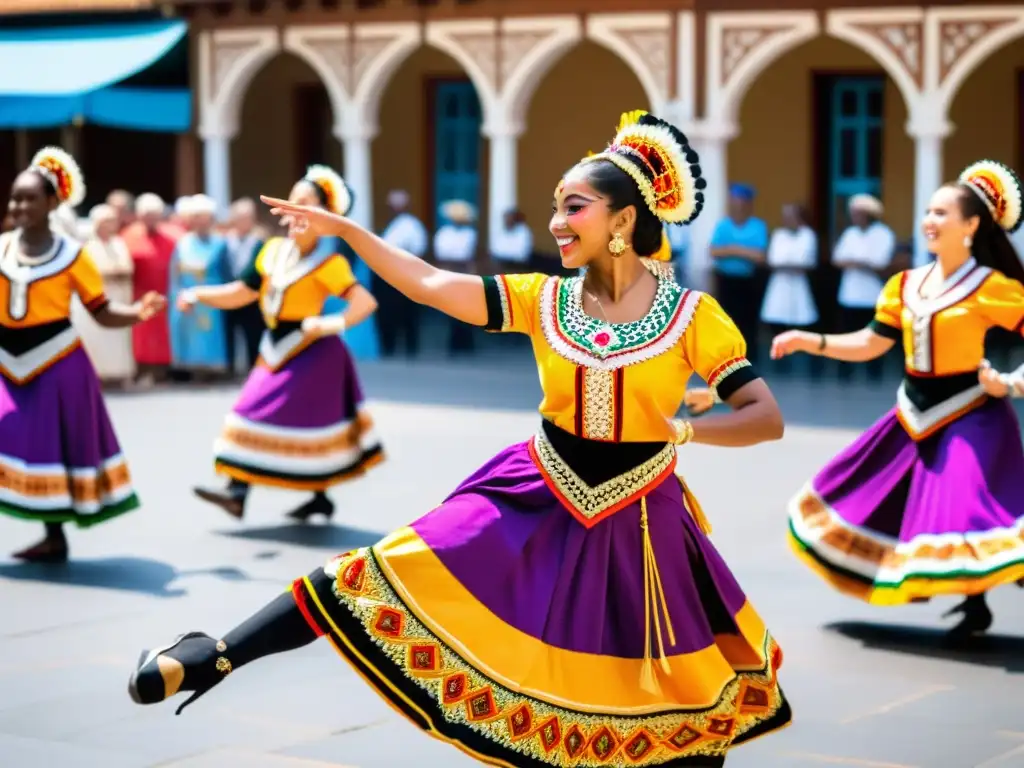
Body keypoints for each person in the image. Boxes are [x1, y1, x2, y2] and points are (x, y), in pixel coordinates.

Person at [129, 111, 791, 767]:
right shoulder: (541, 299)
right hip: (536, 492)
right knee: (363, 576)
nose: (557, 221)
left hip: (643, 521)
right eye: (555, 206)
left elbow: (765, 416)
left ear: (622, 219)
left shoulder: (691, 317)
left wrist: (681, 429)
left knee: (686, 718)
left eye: (575, 206)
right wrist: (348, 232)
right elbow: (428, 283)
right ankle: (214, 654)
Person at [773, 160, 1024, 639]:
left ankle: (983, 595)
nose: (929, 220)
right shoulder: (905, 285)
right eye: (928, 211)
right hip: (913, 411)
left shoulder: (992, 288)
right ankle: (978, 605)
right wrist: (811, 340)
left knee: (964, 505)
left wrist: (1009, 383)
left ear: (971, 225)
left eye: (942, 213)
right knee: (869, 491)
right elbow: (871, 344)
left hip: (972, 411)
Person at [183, 166, 382, 523]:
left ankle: (237, 491)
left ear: (323, 215)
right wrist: (198, 293)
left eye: (305, 203)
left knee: (252, 411)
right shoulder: (271, 250)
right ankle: (315, 496)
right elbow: (241, 293)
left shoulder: (329, 263)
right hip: (274, 345)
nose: (295, 209)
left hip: (312, 350)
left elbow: (365, 302)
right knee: (303, 424)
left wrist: (329, 323)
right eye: (292, 201)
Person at [0, 147, 166, 562]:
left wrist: (136, 313)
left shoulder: (74, 254)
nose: (19, 205)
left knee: (49, 446)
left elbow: (101, 312)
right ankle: (52, 535)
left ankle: (54, 536)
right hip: (7, 361)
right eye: (15, 197)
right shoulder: (1, 247)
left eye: (29, 198)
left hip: (56, 362)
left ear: (52, 203)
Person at [71, 204, 136, 386]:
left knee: (117, 336)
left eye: (113, 221)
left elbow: (128, 267)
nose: (111, 225)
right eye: (107, 221)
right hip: (98, 297)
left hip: (118, 295)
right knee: (97, 335)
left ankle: (117, 373)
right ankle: (97, 374)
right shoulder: (87, 245)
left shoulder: (119, 243)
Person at [832, 194, 896, 381]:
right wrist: (861, 263)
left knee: (874, 337)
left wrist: (857, 262)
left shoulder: (883, 234)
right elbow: (838, 259)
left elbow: (880, 263)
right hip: (849, 295)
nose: (854, 217)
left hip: (873, 295)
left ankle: (874, 373)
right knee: (846, 335)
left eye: (858, 213)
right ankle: (845, 372)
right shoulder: (850, 234)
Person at [168, 195, 231, 380]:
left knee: (211, 333)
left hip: (212, 295)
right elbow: (175, 273)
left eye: (206, 219)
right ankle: (190, 368)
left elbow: (226, 272)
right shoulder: (183, 242)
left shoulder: (220, 243)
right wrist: (177, 295)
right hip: (188, 293)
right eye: (198, 219)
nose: (202, 223)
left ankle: (212, 369)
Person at [122, 193, 179, 387]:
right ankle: (140, 369)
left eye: (154, 215)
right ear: (139, 215)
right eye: (147, 214)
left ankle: (161, 372)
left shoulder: (171, 236)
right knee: (140, 335)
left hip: (164, 294)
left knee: (162, 335)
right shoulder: (129, 235)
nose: (151, 219)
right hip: (138, 294)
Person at [709, 183, 768, 364]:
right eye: (734, 203)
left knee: (748, 320)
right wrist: (743, 251)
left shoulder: (758, 226)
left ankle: (749, 357)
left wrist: (731, 249)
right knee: (726, 320)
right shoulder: (723, 225)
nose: (737, 207)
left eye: (741, 203)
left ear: (749, 205)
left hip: (749, 281)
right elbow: (713, 252)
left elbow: (760, 256)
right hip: (726, 280)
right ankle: (728, 356)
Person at [760, 204, 820, 377]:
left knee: (802, 322)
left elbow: (806, 261)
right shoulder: (779, 235)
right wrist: (790, 263)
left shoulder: (808, 235)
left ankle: (805, 365)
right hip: (779, 284)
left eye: (791, 217)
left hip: (798, 285)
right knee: (777, 323)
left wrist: (788, 263)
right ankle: (780, 361)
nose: (787, 221)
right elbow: (773, 259)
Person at [375, 189, 428, 358]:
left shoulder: (411, 225)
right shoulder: (392, 226)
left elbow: (418, 251)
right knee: (388, 313)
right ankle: (389, 347)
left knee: (408, 313)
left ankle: (411, 348)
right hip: (388, 274)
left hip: (405, 274)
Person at [225, 197, 266, 374]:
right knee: (228, 333)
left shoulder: (259, 241)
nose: (244, 222)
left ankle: (254, 370)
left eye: (248, 218)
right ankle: (229, 369)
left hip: (251, 295)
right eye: (240, 218)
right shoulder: (225, 241)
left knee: (253, 334)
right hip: (228, 294)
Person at [433, 199, 479, 355]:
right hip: (450, 273)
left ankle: (467, 344)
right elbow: (441, 254)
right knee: (451, 310)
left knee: (467, 310)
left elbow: (469, 255)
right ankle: (454, 344)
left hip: (465, 274)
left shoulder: (470, 234)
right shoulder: (443, 233)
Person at [490, 207, 533, 272]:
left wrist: (503, 252)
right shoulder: (502, 231)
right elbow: (495, 250)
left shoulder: (523, 231)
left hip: (517, 265)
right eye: (505, 218)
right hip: (501, 263)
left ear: (515, 218)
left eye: (509, 217)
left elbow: (520, 254)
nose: (507, 220)